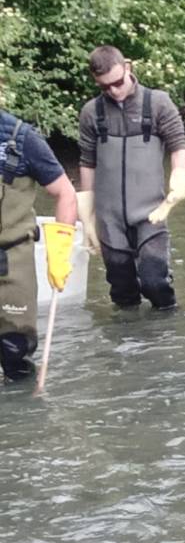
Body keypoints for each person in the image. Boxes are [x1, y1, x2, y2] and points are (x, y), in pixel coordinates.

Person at [77, 45, 185, 310]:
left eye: (118, 82)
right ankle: (127, 344)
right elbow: (87, 162)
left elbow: (178, 147)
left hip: (151, 212)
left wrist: (180, 175)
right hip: (110, 217)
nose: (114, 91)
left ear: (128, 68)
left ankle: (165, 337)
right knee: (122, 290)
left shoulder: (158, 103)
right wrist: (88, 214)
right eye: (105, 87)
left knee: (155, 281)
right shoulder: (91, 113)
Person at [0, 106, 77, 380]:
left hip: (11, 259)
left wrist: (60, 252)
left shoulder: (22, 138)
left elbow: (66, 193)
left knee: (15, 350)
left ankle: (22, 412)